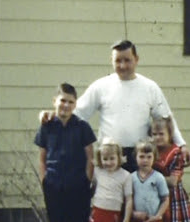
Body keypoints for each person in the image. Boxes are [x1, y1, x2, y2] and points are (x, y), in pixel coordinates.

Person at [40, 40, 188, 173]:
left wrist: (181, 145)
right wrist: (54, 114)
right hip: (109, 157)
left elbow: (166, 119)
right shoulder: (101, 86)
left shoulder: (150, 87)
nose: (122, 65)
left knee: (136, 202)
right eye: (118, 61)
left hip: (140, 157)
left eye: (127, 60)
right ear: (111, 60)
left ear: (136, 60)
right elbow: (78, 112)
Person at [34, 83, 97, 222]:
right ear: (54, 101)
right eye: (63, 100)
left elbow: (90, 157)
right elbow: (42, 158)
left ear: (75, 105)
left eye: (71, 102)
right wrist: (44, 180)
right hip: (53, 185)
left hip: (78, 185)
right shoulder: (46, 126)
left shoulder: (82, 126)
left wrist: (87, 180)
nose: (66, 105)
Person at [151, 117, 190, 222]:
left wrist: (153, 178)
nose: (157, 137)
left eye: (161, 134)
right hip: (156, 194)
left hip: (173, 195)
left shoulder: (176, 152)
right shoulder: (152, 152)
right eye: (154, 134)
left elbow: (173, 181)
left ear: (170, 134)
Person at [88, 137, 132, 222]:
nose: (108, 162)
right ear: (100, 158)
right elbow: (89, 191)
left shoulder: (126, 175)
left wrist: (126, 219)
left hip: (113, 213)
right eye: (105, 159)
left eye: (112, 158)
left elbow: (129, 199)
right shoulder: (97, 171)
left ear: (118, 157)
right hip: (97, 210)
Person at [132, 140, 169, 222]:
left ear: (154, 158)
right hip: (136, 219)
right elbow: (128, 200)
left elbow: (165, 199)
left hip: (154, 219)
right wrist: (133, 213)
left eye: (149, 157)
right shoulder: (131, 178)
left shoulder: (158, 177)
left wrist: (158, 215)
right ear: (135, 157)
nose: (145, 160)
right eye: (141, 157)